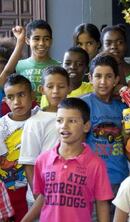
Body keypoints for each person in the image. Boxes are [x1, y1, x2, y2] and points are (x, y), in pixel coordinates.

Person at [21, 98, 113, 222]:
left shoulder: (96, 164)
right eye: (59, 120)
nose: (64, 125)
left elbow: (102, 204)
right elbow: (43, 197)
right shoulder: (42, 160)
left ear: (86, 126)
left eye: (72, 121)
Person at [81, 55, 129, 214]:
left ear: (116, 80)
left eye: (108, 77)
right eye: (98, 76)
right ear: (90, 78)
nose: (103, 81)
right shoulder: (84, 104)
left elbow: (126, 142)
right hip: (92, 179)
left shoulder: (123, 108)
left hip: (119, 176)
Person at [19, 66, 70, 207]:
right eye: (50, 86)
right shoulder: (34, 122)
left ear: (69, 88)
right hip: (41, 198)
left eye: (61, 86)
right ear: (42, 90)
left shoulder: (75, 117)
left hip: (67, 196)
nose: (55, 91)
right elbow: (29, 164)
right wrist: (38, 198)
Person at [0, 74, 38, 221]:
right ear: (5, 101)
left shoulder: (41, 117)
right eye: (10, 97)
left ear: (32, 95)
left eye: (21, 95)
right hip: (9, 189)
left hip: (35, 188)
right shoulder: (1, 126)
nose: (16, 101)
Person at [15, 20, 60, 103]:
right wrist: (19, 42)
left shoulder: (59, 67)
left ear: (51, 41)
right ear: (27, 40)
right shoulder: (19, 66)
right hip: (27, 114)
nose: (41, 43)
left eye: (46, 39)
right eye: (36, 39)